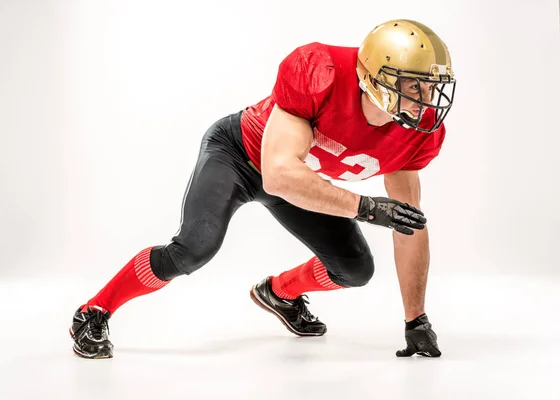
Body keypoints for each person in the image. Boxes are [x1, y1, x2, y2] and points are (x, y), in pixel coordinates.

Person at [69, 18, 456, 359]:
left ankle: (279, 293)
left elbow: (410, 224)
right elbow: (278, 174)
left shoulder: (419, 134)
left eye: (431, 87)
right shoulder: (319, 70)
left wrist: (415, 319)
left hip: (297, 179)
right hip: (240, 155)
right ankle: (94, 311)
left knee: (354, 269)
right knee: (192, 249)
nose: (426, 102)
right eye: (415, 87)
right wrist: (368, 207)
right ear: (376, 78)